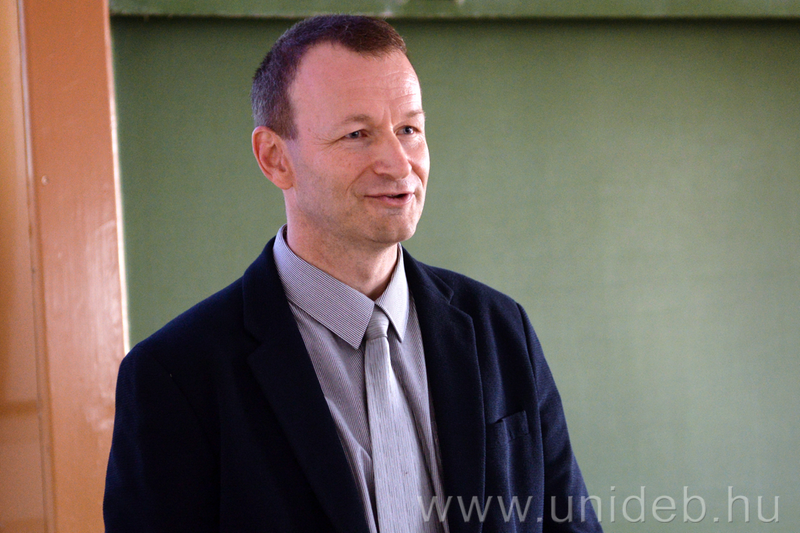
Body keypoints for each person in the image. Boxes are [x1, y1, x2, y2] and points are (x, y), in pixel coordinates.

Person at [104, 14, 602, 533]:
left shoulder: (501, 330)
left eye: (409, 129)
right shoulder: (175, 377)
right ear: (275, 158)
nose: (399, 164)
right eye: (357, 134)